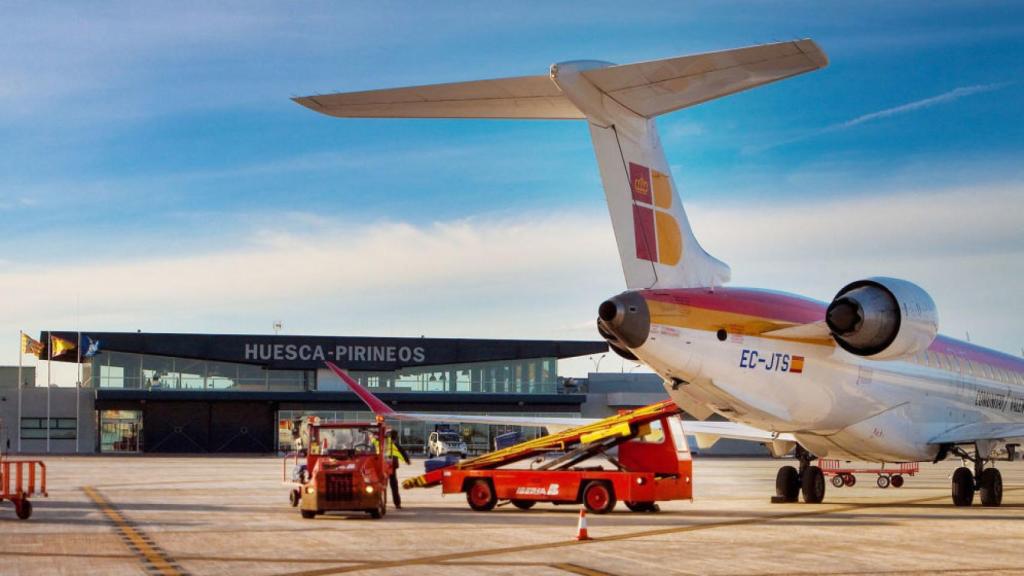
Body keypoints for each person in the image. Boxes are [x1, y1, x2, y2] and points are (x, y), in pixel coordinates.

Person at [385, 429, 411, 509]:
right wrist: (407, 460)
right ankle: (397, 503)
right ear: (395, 437)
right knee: (394, 486)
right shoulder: (395, 444)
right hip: (392, 467)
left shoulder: (383, 443)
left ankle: (383, 502)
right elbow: (403, 452)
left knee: (382, 485)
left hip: (383, 466)